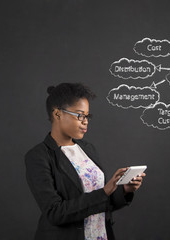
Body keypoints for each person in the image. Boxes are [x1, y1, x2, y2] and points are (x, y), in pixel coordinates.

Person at [25, 83, 146, 240]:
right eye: (79, 115)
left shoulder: (87, 149)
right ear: (57, 114)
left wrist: (124, 191)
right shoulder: (38, 156)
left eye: (87, 116)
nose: (85, 121)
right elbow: (54, 213)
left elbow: (101, 203)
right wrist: (105, 191)